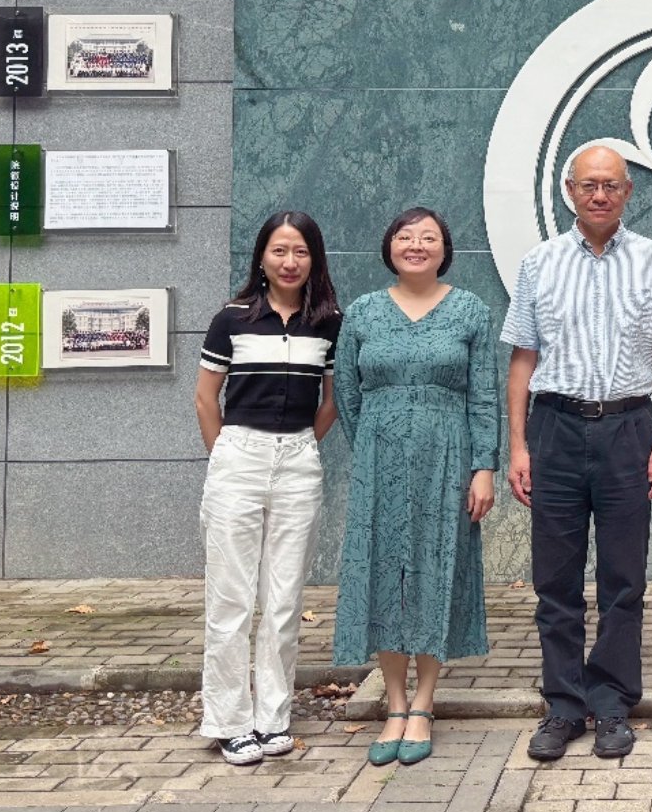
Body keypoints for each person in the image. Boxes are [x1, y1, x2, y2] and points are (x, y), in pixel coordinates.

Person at [503, 146, 652, 763]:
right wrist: (517, 445)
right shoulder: (540, 263)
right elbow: (523, 358)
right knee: (554, 581)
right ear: (569, 190)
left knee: (622, 577)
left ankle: (611, 703)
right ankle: (563, 705)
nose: (600, 195)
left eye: (611, 185)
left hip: (628, 429)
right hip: (555, 428)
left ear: (629, 191)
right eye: (589, 185)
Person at [332, 207, 501, 767]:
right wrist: (378, 445)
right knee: (383, 572)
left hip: (448, 460)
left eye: (428, 238)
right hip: (379, 461)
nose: (416, 245)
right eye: (405, 236)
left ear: (444, 249)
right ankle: (395, 702)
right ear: (389, 246)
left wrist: (483, 466)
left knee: (435, 569)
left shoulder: (469, 310)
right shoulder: (362, 312)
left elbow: (484, 396)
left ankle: (425, 702)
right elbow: (348, 396)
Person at [195, 211, 341, 766]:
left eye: (300, 251)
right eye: (280, 250)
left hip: (299, 460)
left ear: (314, 260)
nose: (289, 261)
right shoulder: (230, 320)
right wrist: (227, 455)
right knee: (231, 598)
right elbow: (206, 398)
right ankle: (229, 721)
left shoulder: (328, 322)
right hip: (238, 455)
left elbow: (330, 401)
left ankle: (273, 717)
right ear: (262, 256)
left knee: (283, 600)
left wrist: (303, 442)